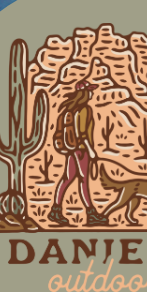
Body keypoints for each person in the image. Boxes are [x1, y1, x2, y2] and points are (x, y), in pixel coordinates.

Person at [46, 79, 102, 228]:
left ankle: (55, 210)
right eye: (90, 90)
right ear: (84, 93)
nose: (92, 93)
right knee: (83, 181)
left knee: (67, 178)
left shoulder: (71, 109)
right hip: (81, 149)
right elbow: (81, 133)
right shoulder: (84, 109)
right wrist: (91, 151)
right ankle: (91, 214)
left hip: (71, 148)